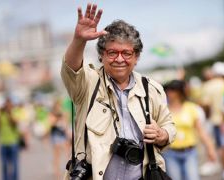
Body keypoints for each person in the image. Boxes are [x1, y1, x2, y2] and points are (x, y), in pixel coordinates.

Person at [61, 3, 176, 180]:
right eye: (112, 52)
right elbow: (71, 69)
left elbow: (169, 124)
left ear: (136, 57)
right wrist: (79, 40)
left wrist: (163, 134)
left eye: (127, 53)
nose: (119, 59)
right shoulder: (89, 84)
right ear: (102, 55)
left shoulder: (151, 88)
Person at [162, 80, 217, 180]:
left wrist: (210, 149)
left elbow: (201, 131)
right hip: (170, 152)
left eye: (171, 90)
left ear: (179, 92)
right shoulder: (164, 110)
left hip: (189, 152)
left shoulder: (191, 108)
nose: (168, 93)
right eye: (167, 90)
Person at [0, 98, 20, 180]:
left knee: (14, 164)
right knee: (4, 164)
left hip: (13, 142)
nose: (7, 107)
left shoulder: (14, 112)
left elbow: (15, 123)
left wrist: (10, 114)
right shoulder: (1, 115)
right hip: (3, 142)